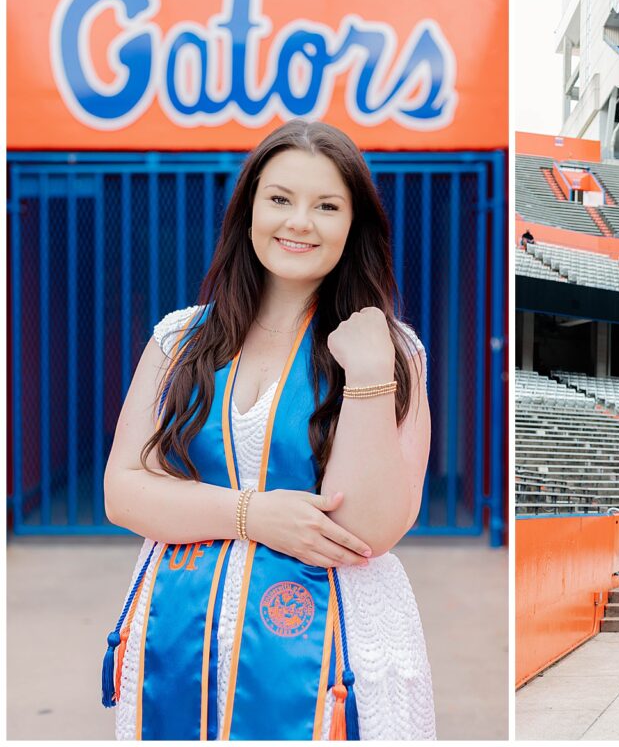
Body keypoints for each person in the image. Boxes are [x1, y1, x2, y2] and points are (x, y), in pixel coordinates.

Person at [102, 119, 435, 739]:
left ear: (353, 224)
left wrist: (367, 373)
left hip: (336, 649)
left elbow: (367, 529)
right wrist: (252, 516)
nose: (299, 222)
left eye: (326, 206)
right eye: (279, 198)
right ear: (249, 208)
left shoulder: (392, 351)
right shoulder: (180, 338)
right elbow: (122, 491)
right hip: (179, 638)